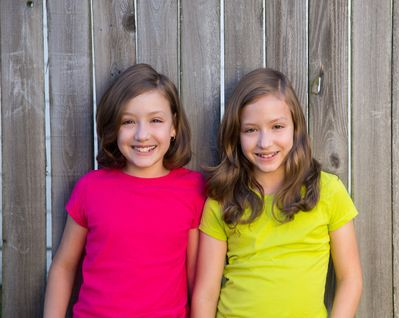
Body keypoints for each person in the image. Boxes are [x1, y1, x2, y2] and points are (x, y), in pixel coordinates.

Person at [191, 68, 362, 318]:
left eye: (277, 126)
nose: (265, 142)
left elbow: (351, 279)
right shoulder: (223, 198)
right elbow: (206, 291)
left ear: (295, 127)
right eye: (251, 130)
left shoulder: (327, 191)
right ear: (236, 135)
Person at [44, 64, 206, 317]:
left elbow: (197, 280)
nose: (142, 135)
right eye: (128, 122)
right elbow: (63, 267)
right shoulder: (91, 188)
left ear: (173, 126)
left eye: (155, 120)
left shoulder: (192, 189)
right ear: (113, 128)